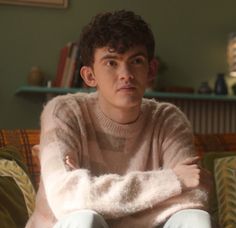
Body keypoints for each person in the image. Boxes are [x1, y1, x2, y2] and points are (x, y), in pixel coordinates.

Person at [26, 10, 212, 228]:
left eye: (136, 61)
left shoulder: (168, 120)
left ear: (151, 70)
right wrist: (174, 180)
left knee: (195, 218)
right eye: (111, 62)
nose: (126, 74)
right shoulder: (63, 112)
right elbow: (65, 199)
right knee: (84, 218)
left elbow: (195, 196)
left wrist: (90, 191)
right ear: (89, 76)